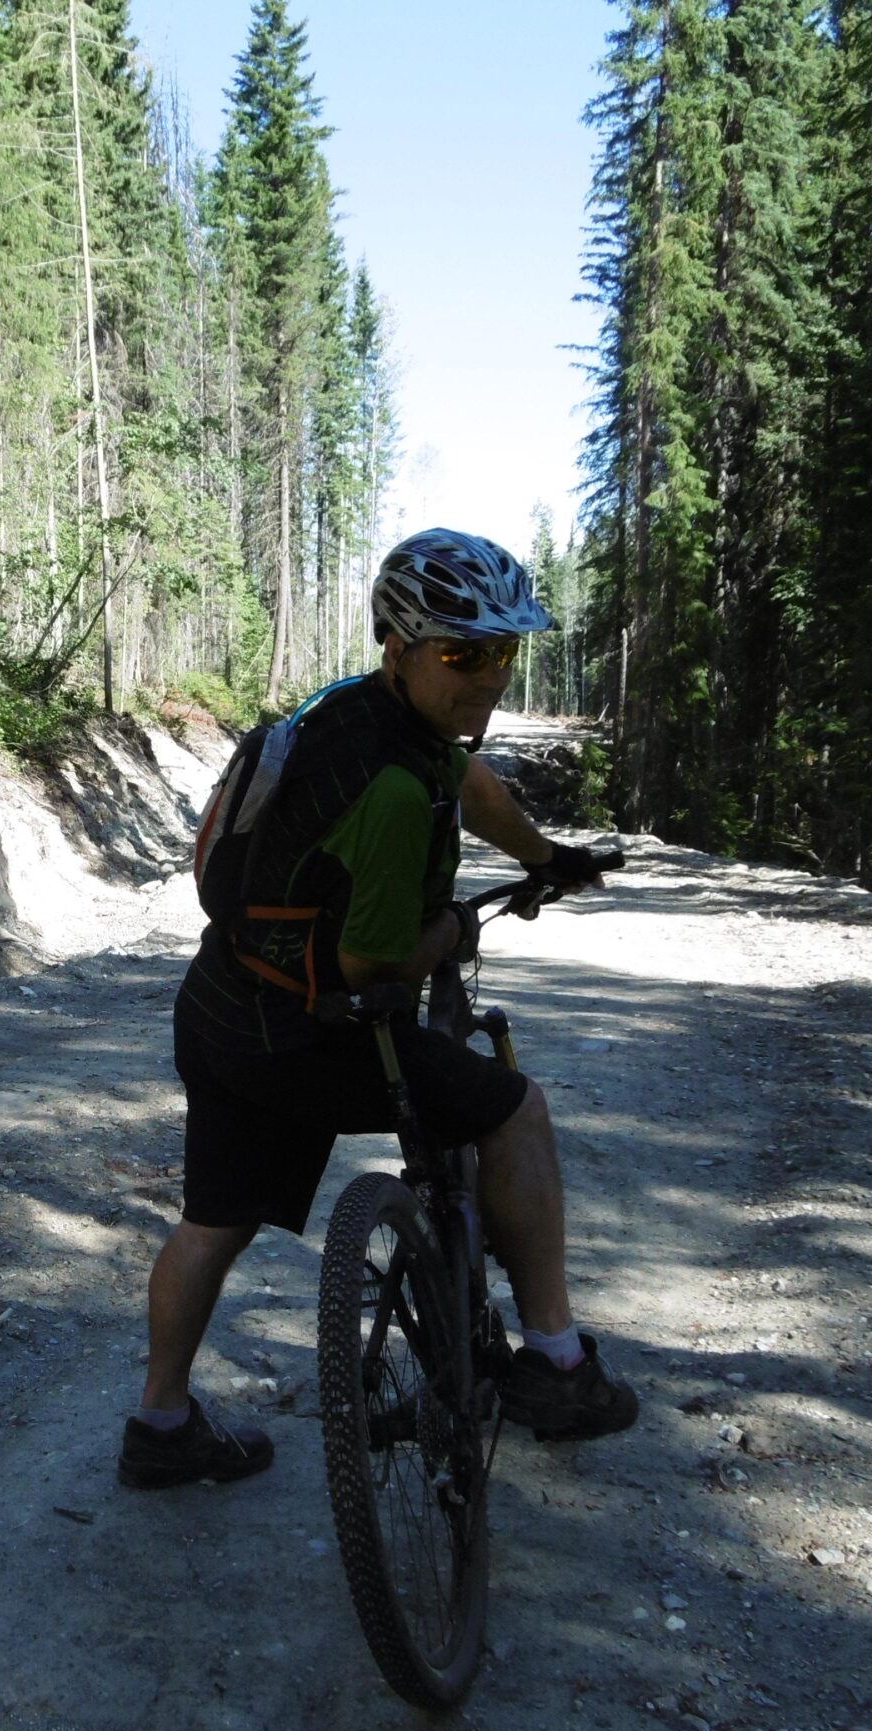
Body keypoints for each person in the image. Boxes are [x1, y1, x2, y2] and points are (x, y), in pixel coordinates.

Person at [118, 527, 640, 1491]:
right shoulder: (395, 788)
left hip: (225, 1006)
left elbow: (472, 784)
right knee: (513, 1110)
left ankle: (159, 1424)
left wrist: (543, 857)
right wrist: (449, 929)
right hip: (315, 1029)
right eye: (462, 653)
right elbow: (375, 963)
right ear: (399, 646)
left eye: (502, 652)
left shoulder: (361, 716)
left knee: (214, 1223)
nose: (487, 677)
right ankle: (558, 1363)